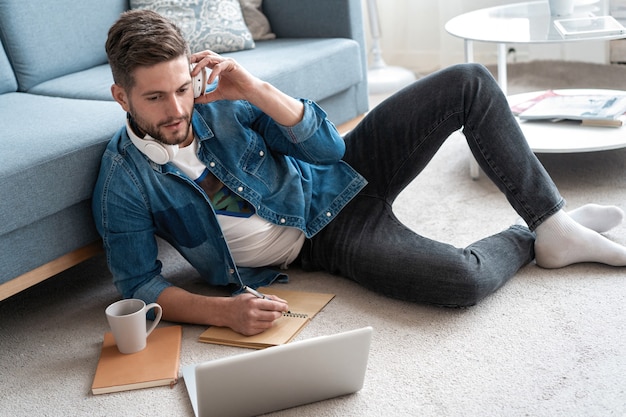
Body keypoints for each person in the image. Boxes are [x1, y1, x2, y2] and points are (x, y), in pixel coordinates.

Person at [94, 9, 626, 336]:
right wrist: (223, 312)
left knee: (467, 80)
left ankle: (552, 222)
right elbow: (141, 284)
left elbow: (327, 150)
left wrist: (255, 89)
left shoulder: (225, 102)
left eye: (183, 88)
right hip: (324, 238)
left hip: (335, 174)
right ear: (121, 96)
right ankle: (528, 236)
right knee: (463, 280)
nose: (177, 110)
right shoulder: (124, 180)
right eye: (156, 97)